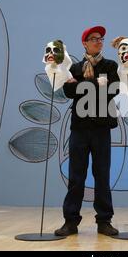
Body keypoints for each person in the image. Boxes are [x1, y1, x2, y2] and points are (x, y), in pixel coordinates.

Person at [54, 26, 120, 236]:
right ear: (84, 43)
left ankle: (104, 221)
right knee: (76, 176)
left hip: (101, 129)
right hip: (80, 128)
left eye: (100, 39)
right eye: (93, 39)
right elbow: (68, 91)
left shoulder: (110, 65)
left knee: (102, 176)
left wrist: (83, 84)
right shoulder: (74, 67)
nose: (98, 42)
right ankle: (71, 222)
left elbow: (113, 89)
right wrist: (93, 84)